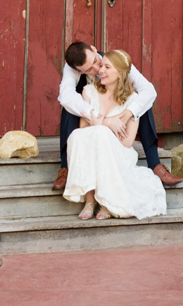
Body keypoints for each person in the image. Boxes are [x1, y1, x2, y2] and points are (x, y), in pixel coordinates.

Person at [52, 41, 183, 189]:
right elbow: (66, 96)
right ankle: (65, 168)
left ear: (93, 49)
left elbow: (148, 90)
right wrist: (103, 119)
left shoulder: (116, 60)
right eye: (89, 69)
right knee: (69, 107)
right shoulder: (72, 68)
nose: (98, 69)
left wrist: (129, 112)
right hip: (92, 112)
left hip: (118, 109)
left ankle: (155, 164)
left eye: (96, 61)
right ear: (80, 71)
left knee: (142, 103)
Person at [61, 49, 168, 221]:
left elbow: (126, 142)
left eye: (104, 66)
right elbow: (82, 127)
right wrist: (108, 123)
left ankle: (107, 201)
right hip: (93, 144)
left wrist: (103, 127)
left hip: (119, 153)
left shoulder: (132, 99)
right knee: (77, 135)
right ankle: (89, 200)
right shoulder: (88, 91)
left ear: (120, 73)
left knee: (101, 134)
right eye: (96, 68)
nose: (99, 71)